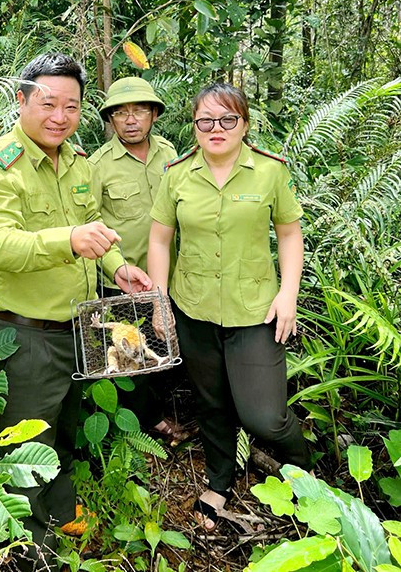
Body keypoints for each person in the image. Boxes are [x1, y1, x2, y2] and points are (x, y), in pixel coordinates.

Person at [0, 53, 151, 569]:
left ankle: (62, 507)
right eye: (48, 104)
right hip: (25, 333)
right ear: (21, 100)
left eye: (71, 106)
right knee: (24, 444)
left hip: (78, 324)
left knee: (65, 426)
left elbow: (94, 226)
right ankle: (29, 549)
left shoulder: (76, 162)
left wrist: (118, 268)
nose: (60, 116)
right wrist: (67, 240)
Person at [147, 82, 311, 531]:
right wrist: (159, 301)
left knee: (265, 417)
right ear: (194, 126)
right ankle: (220, 480)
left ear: (245, 124)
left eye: (227, 119)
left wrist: (288, 294)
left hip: (255, 310)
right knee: (212, 404)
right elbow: (160, 240)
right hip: (194, 308)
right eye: (205, 120)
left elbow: (289, 234)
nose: (215, 128)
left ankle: (303, 469)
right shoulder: (177, 174)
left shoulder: (270, 172)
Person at [88, 76, 183, 442]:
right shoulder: (98, 165)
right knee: (131, 354)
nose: (130, 120)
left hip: (169, 276)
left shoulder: (169, 153)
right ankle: (147, 423)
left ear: (154, 115)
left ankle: (165, 408)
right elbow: (91, 223)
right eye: (120, 113)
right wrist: (116, 266)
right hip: (124, 283)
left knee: (167, 346)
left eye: (139, 110)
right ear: (110, 119)